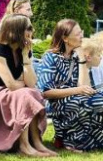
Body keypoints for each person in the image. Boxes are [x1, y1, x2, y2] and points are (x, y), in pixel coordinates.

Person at [0, 14, 55, 157]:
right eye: (28, 28)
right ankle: (24, 146)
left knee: (31, 93)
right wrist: (23, 84)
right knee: (25, 94)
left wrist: (26, 58)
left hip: (8, 93)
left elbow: (32, 84)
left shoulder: (23, 50)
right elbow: (11, 84)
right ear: (16, 30)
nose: (31, 31)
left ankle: (37, 143)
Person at [37, 21, 103, 152]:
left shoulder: (76, 56)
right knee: (87, 102)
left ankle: (92, 140)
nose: (82, 36)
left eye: (81, 32)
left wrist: (81, 60)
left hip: (77, 97)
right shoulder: (51, 57)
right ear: (65, 38)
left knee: (99, 100)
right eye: (78, 33)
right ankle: (70, 141)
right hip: (57, 102)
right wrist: (77, 90)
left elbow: (84, 87)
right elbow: (46, 92)